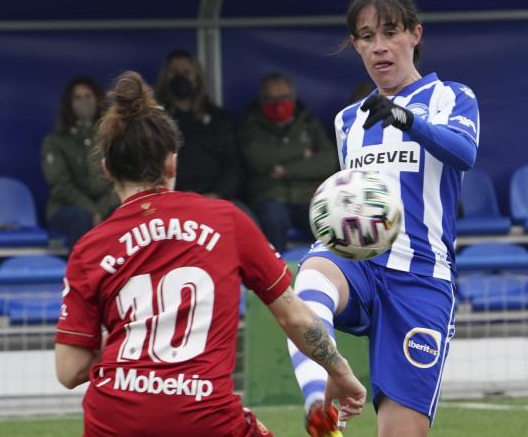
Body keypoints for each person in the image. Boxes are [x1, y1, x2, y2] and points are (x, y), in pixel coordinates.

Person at [54, 70, 366, 437]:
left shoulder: (90, 247)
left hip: (114, 421)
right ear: (172, 162)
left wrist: (132, 333)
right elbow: (295, 317)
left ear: (106, 169)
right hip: (204, 417)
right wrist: (341, 373)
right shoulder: (226, 221)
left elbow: (69, 370)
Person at [288, 0, 480, 436]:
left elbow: (464, 153)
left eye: (390, 32)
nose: (380, 47)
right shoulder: (347, 120)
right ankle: (321, 397)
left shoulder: (451, 97)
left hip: (419, 278)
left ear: (415, 34)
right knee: (311, 275)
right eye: (367, 36)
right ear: (355, 44)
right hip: (358, 259)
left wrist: (407, 119)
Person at [238, 72, 339, 253]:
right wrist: (303, 154)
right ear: (262, 100)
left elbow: (328, 160)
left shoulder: (307, 122)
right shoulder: (250, 123)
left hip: (309, 195)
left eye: (284, 98)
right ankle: (278, 276)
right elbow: (259, 158)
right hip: (270, 195)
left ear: (293, 97)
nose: (278, 104)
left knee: (333, 224)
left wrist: (285, 169)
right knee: (273, 220)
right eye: (271, 99)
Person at [154, 49, 244, 201]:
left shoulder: (218, 118)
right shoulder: (153, 119)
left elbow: (233, 165)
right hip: (168, 200)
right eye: (174, 72)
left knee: (250, 222)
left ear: (196, 78)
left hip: (213, 199)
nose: (180, 77)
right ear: (165, 77)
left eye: (186, 72)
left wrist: (217, 194)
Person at [41, 76, 118, 248]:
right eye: (78, 98)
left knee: (123, 214)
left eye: (88, 96)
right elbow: (60, 185)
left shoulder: (112, 137)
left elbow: (120, 179)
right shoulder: (55, 141)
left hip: (107, 204)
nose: (84, 102)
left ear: (98, 99)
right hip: (66, 207)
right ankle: (83, 274)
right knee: (80, 219)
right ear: (69, 103)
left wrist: (101, 209)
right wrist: (93, 211)